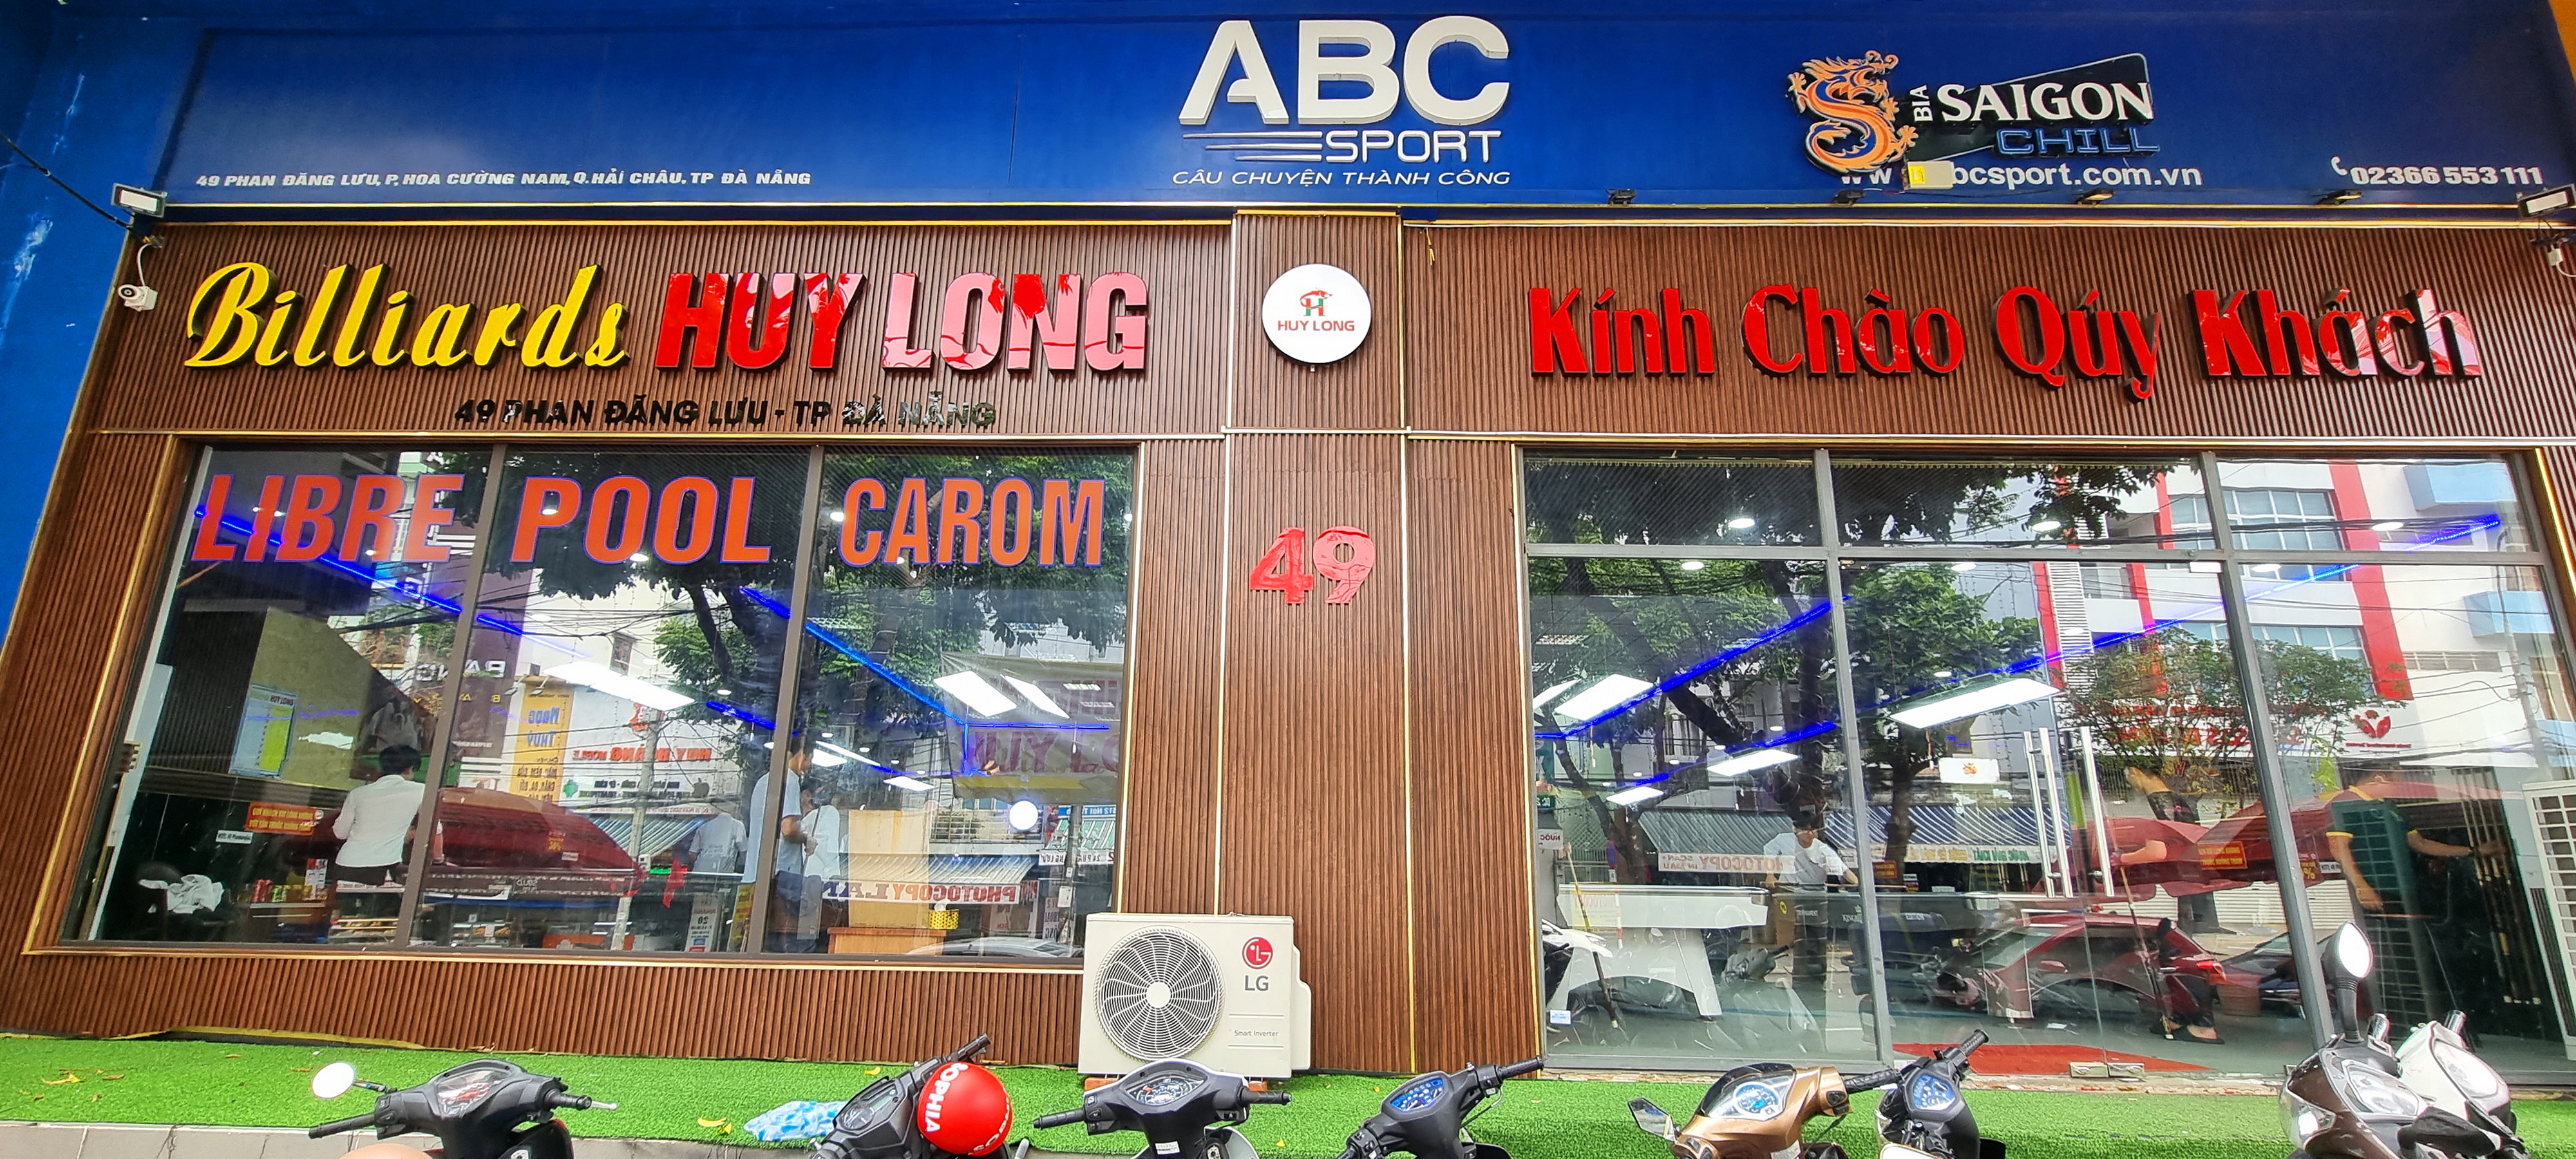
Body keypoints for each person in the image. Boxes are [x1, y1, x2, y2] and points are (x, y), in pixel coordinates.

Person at [2327, 766, 2497, 1020]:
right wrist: (2362, 886)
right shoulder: (2346, 802)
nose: (2399, 789)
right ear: (2379, 776)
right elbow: (2339, 848)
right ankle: (2399, 1015)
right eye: (2397, 782)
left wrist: (2473, 851)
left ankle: (2428, 1012)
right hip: (2379, 892)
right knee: (2393, 956)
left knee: (2417, 952)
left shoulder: (2389, 807)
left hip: (2404, 889)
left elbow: (2419, 843)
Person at [1762, 815, 1855, 981]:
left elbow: (1845, 871)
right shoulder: (1784, 840)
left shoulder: (1823, 850)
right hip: (1790, 893)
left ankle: (1816, 973)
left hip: (1815, 897)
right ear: (1796, 830)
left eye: (1813, 831)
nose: (1810, 834)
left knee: (1815, 937)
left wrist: (1857, 884)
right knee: (1791, 935)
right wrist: (1770, 875)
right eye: (1806, 830)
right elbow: (1769, 853)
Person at [744, 745, 810, 952]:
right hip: (780, 875)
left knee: (755, 937)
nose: (809, 765)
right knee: (782, 940)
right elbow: (788, 829)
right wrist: (807, 839)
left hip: (756, 871)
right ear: (801, 755)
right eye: (810, 759)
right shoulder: (790, 780)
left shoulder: (764, 781)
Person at [331, 744, 425, 888]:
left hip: (346, 864)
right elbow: (433, 828)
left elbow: (340, 833)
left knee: (343, 903)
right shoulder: (421, 791)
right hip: (383, 866)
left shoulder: (358, 793)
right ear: (410, 768)